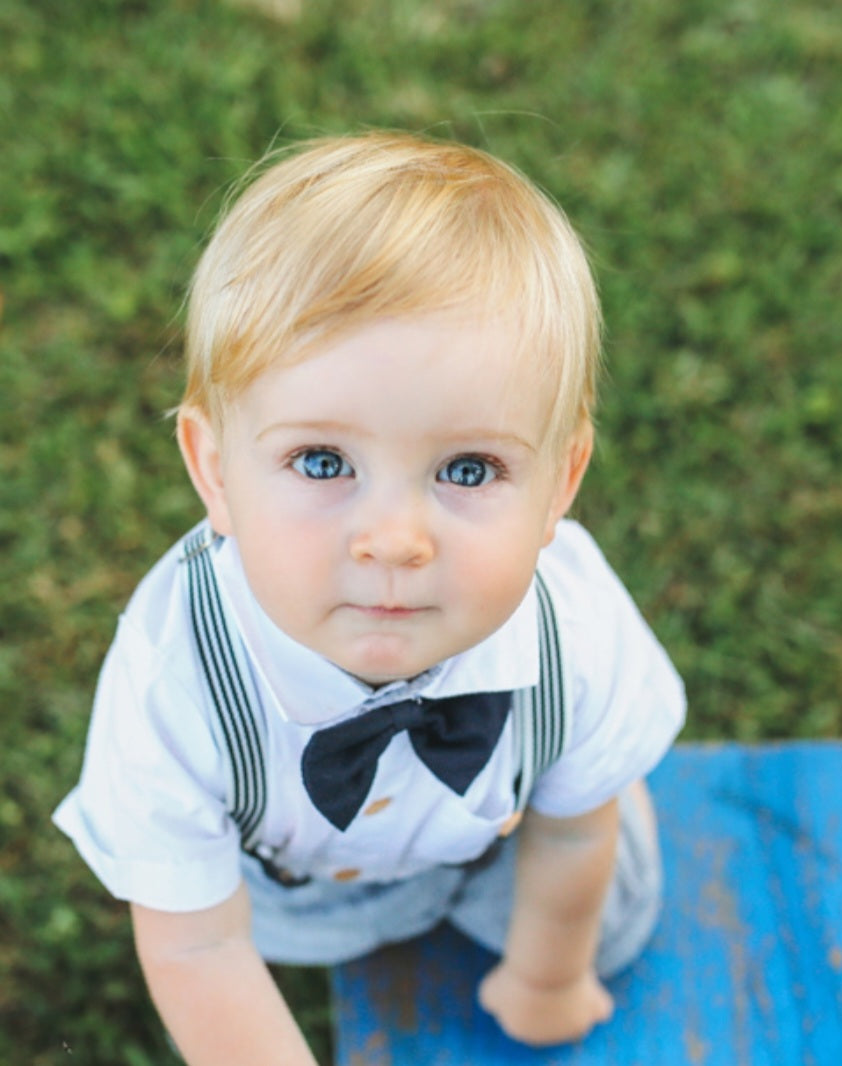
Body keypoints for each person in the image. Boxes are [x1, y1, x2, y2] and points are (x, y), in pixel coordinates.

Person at [54, 131, 685, 1065]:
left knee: (617, 907)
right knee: (262, 948)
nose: (394, 538)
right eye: (322, 462)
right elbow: (196, 939)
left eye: (468, 468)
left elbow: (569, 835)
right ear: (215, 470)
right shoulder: (173, 680)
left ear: (561, 482)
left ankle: (598, 773)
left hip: (497, 846)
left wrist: (545, 977)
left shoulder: (573, 630)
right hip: (297, 887)